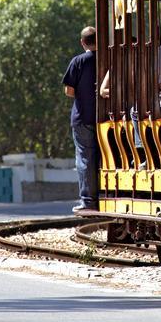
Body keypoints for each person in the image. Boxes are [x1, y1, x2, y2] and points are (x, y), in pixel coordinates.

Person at [62, 26, 99, 212]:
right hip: (103, 118)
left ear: (82, 42)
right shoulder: (107, 59)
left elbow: (69, 91)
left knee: (85, 158)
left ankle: (88, 200)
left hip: (82, 117)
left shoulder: (77, 61)